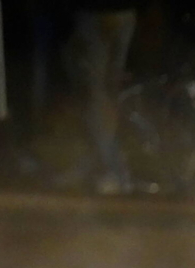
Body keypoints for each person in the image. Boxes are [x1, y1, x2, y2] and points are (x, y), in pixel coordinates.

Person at [65, 0, 139, 195]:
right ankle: (98, 162)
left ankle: (113, 168)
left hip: (100, 13)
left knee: (96, 95)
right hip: (117, 12)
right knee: (103, 94)